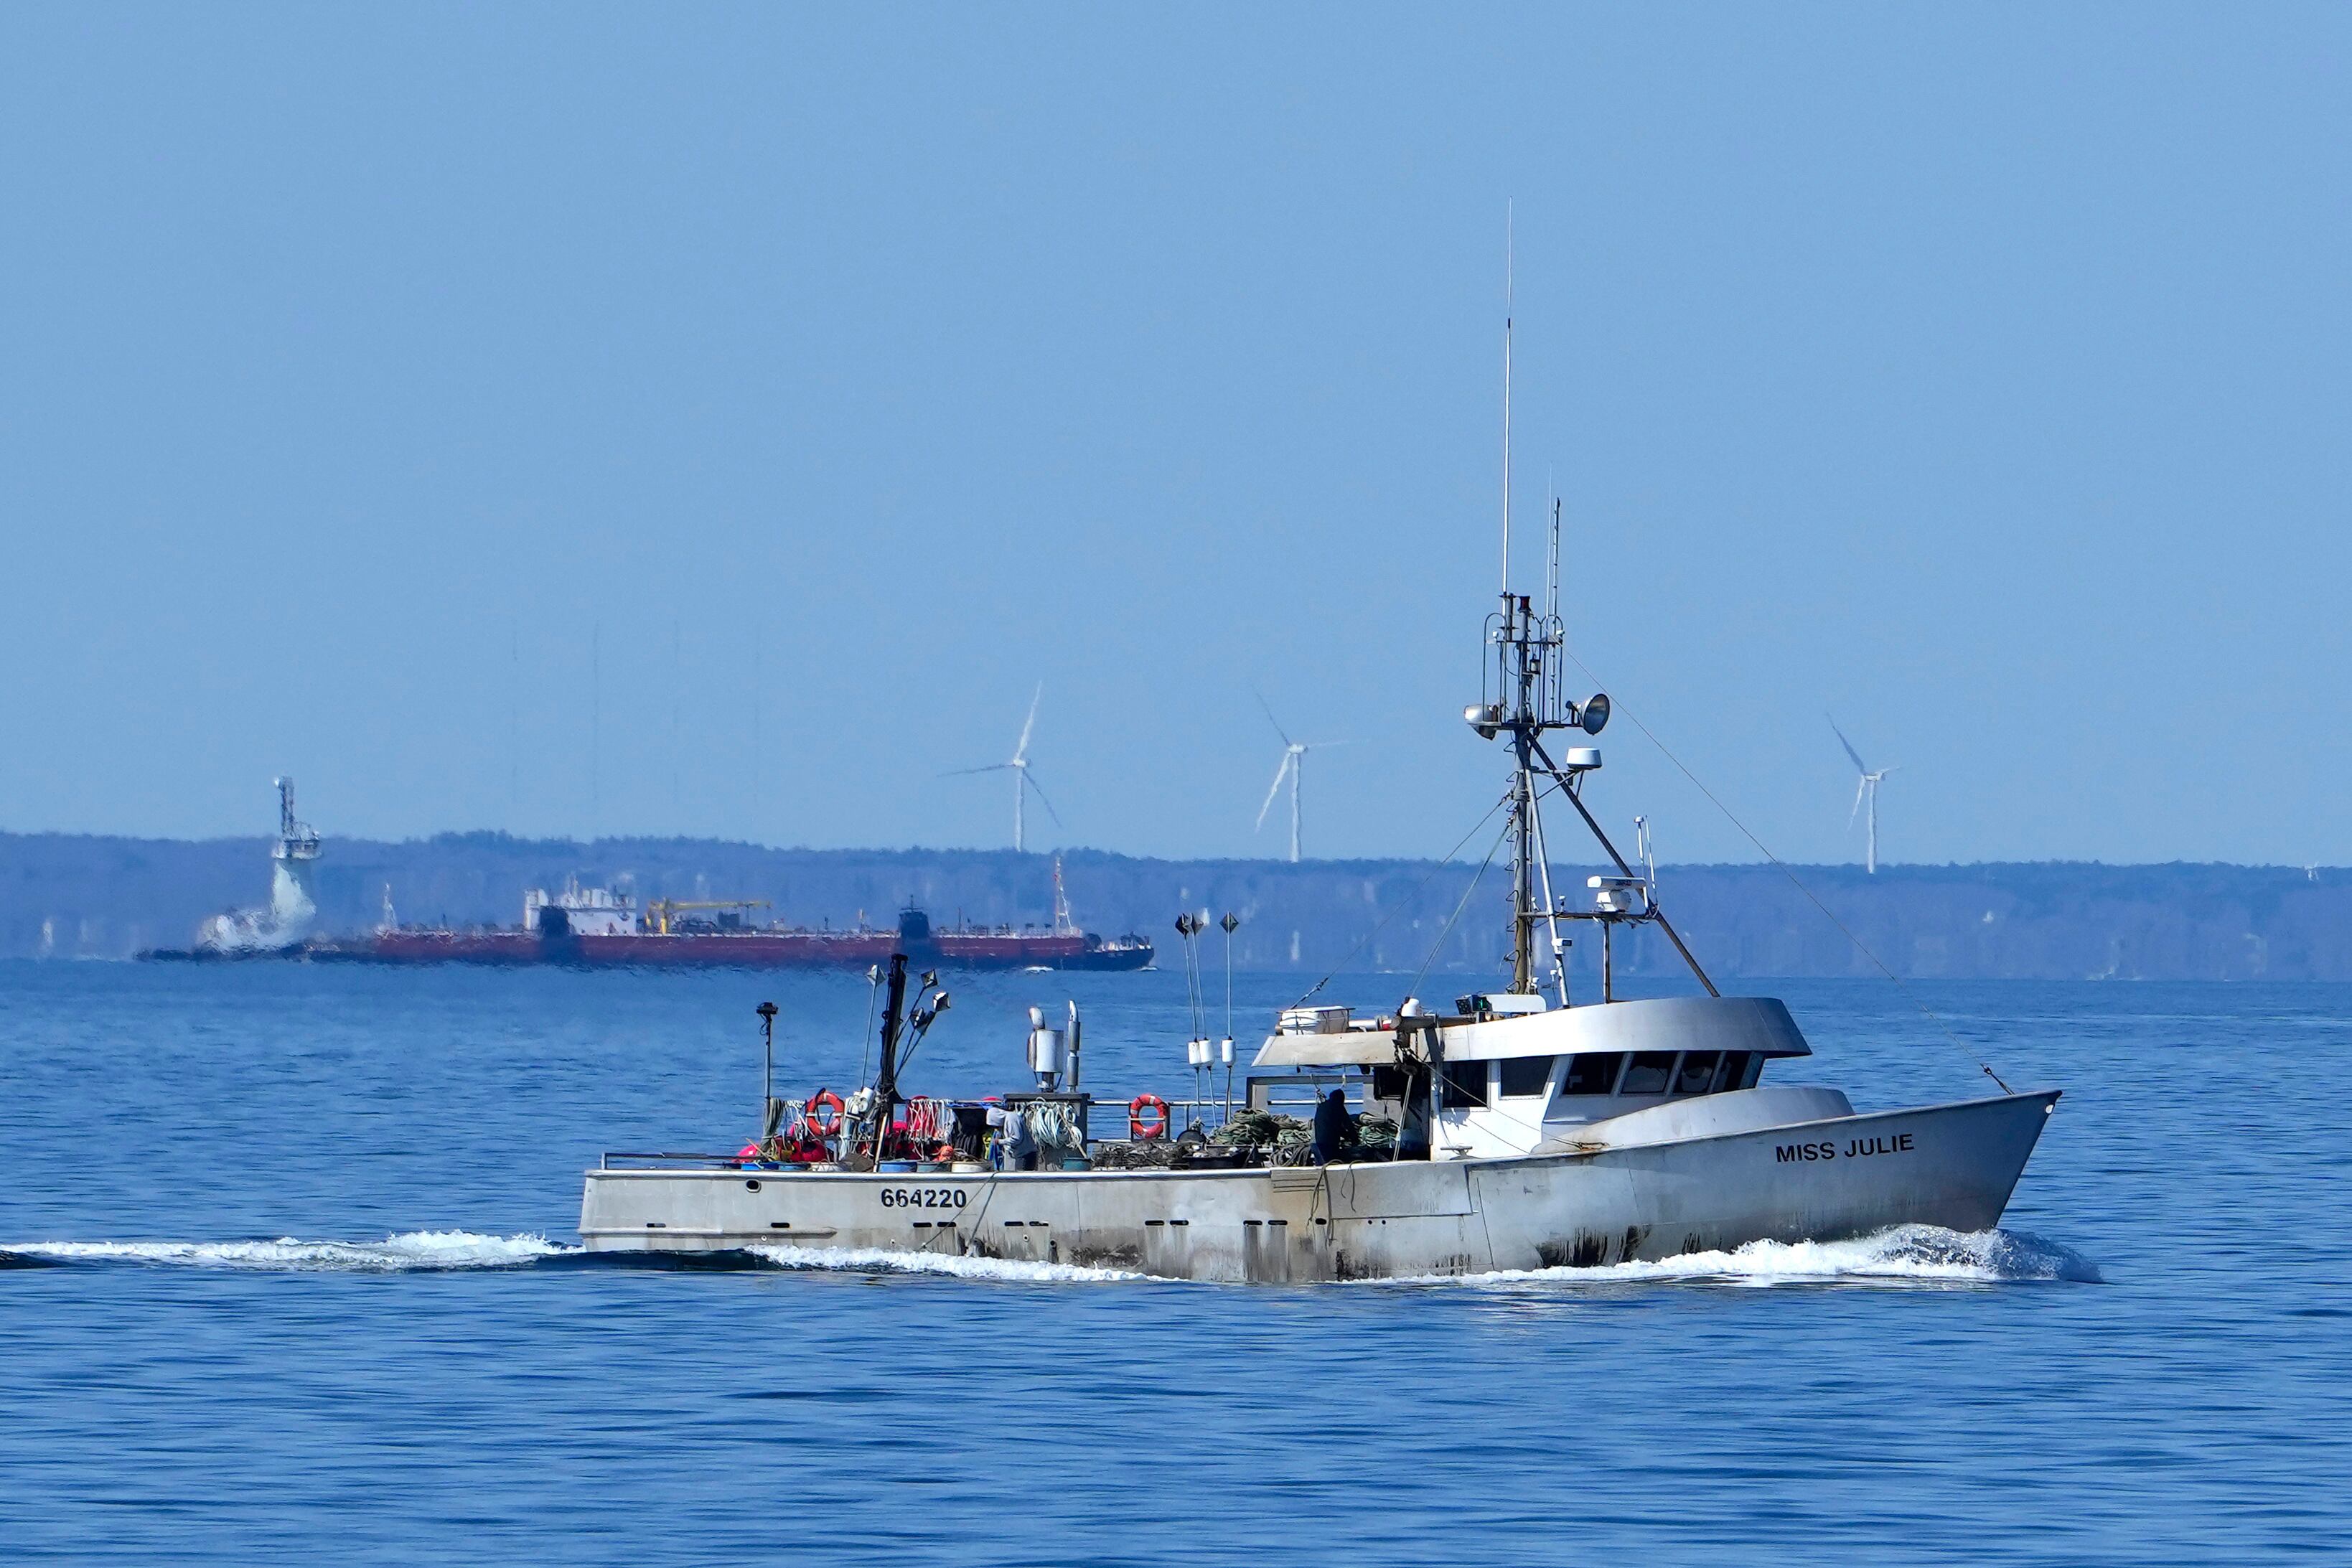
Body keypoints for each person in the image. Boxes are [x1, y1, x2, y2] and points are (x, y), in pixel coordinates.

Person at [1312, 1086, 1355, 1165]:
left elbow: (1334, 1127)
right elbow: (1348, 1125)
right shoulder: (1338, 1106)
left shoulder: (1322, 1106)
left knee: (1321, 1166)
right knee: (1333, 1164)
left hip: (1315, 1143)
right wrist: (1354, 1139)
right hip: (1328, 1144)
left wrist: (1346, 1136)